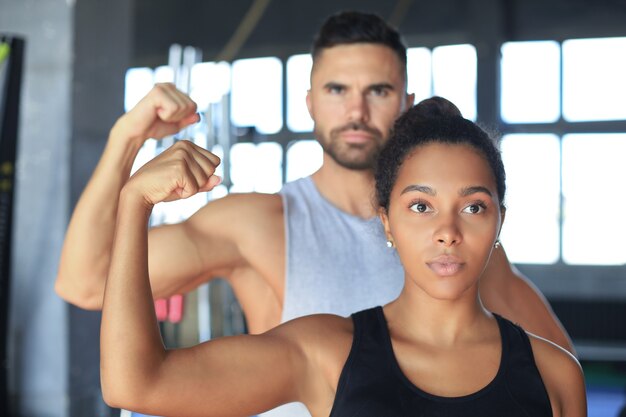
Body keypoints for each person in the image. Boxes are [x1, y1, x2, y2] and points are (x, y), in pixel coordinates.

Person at [56, 10, 574, 415]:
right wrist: (127, 142)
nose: (356, 111)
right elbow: (85, 282)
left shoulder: (461, 243)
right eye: (337, 90)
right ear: (309, 102)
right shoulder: (256, 224)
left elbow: (552, 374)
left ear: (405, 100)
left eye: (378, 90)